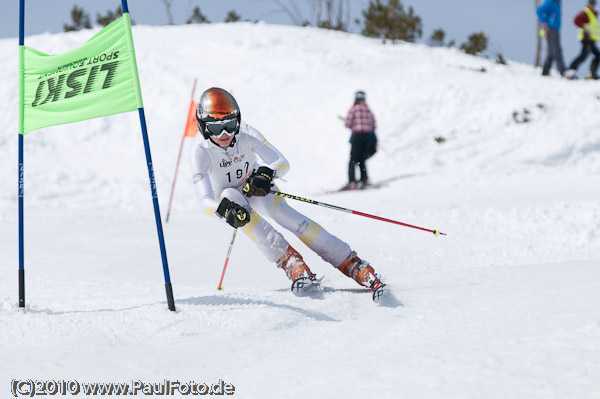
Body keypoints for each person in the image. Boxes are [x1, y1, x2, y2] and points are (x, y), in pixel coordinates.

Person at [189, 87, 386, 302]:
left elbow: (281, 162)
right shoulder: (199, 150)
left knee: (288, 217)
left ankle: (351, 262)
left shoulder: (246, 133)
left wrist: (267, 174)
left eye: (229, 125)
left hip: (254, 186)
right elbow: (203, 200)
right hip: (230, 199)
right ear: (203, 127)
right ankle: (292, 263)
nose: (225, 134)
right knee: (233, 200)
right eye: (216, 128)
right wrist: (223, 211)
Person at [343, 90, 376, 190]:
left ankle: (352, 182)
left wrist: (354, 124)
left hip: (357, 136)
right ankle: (364, 180)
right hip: (367, 137)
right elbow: (374, 124)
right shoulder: (368, 109)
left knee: (353, 159)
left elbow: (347, 124)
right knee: (362, 159)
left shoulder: (354, 109)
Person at [565, 0, 600, 79]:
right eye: (591, 3)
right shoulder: (585, 12)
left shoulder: (593, 14)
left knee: (596, 55)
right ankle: (570, 71)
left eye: (594, 4)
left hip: (591, 40)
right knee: (584, 56)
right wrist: (584, 28)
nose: (592, 5)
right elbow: (576, 20)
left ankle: (592, 73)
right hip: (586, 38)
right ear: (588, 4)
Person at [537, 0, 568, 77]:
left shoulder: (558, 2)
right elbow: (539, 10)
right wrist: (544, 22)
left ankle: (545, 72)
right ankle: (563, 72)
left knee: (551, 51)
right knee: (557, 50)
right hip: (551, 28)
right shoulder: (550, 1)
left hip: (555, 28)